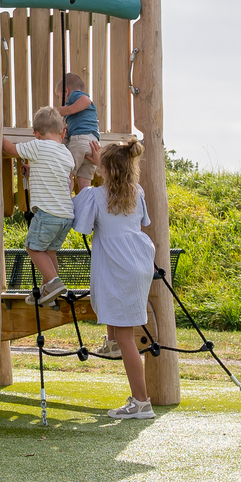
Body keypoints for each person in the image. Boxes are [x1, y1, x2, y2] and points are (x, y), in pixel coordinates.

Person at [73, 137, 157, 420]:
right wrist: (102, 164)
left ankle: (141, 402)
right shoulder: (138, 191)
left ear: (106, 169)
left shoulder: (97, 195)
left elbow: (82, 225)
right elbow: (143, 222)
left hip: (119, 263)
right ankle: (111, 343)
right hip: (139, 261)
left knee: (126, 336)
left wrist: (85, 179)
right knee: (121, 316)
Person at [6, 106, 75, 303]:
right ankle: (48, 291)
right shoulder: (66, 153)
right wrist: (33, 171)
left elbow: (11, 150)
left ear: (36, 134)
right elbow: (66, 180)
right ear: (63, 132)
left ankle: (53, 282)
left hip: (48, 214)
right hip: (66, 216)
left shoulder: (38, 146)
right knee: (49, 251)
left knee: (33, 248)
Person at [60, 73, 100, 192]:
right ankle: (86, 206)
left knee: (68, 173)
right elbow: (80, 120)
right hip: (93, 143)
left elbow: (85, 100)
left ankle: (65, 201)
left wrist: (67, 110)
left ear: (66, 91)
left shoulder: (74, 96)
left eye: (59, 96)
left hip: (80, 140)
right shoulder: (79, 113)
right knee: (85, 180)